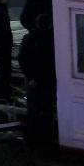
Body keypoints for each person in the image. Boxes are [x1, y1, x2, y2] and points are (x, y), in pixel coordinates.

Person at [18, 14, 57, 144]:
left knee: (33, 109)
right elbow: (51, 62)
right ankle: (47, 137)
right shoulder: (52, 40)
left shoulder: (28, 38)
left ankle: (33, 136)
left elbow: (22, 59)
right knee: (47, 109)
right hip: (47, 80)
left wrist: (30, 77)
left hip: (32, 81)